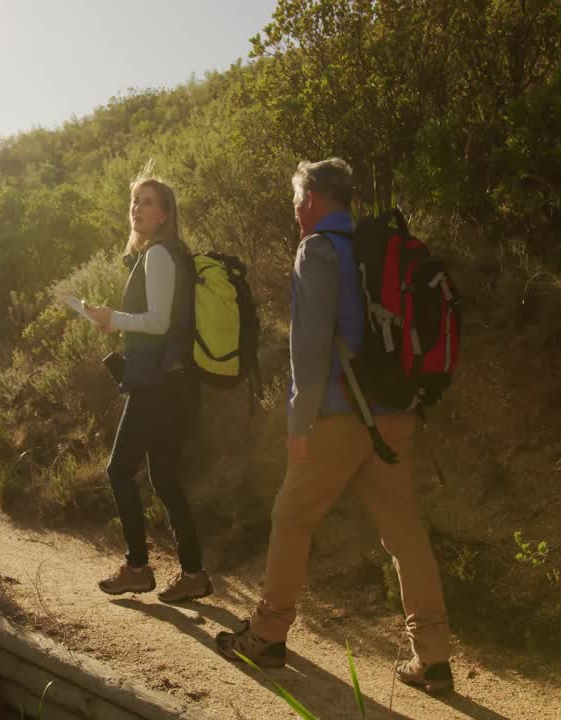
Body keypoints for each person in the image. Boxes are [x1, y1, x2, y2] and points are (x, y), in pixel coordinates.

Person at [214, 158, 455, 693]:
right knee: (404, 534)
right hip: (393, 414)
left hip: (341, 417)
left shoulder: (318, 249)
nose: (295, 209)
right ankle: (433, 658)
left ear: (312, 200)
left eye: (297, 198)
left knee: (291, 518)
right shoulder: (377, 249)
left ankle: (268, 635)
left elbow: (310, 345)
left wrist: (298, 422)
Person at [84, 173, 212, 604]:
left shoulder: (157, 255)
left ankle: (138, 567)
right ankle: (193, 573)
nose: (137, 208)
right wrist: (115, 320)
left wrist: (113, 318)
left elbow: (158, 321)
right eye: (135, 201)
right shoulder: (166, 254)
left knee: (120, 470)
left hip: (157, 386)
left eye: (148, 202)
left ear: (165, 214)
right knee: (166, 480)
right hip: (174, 383)